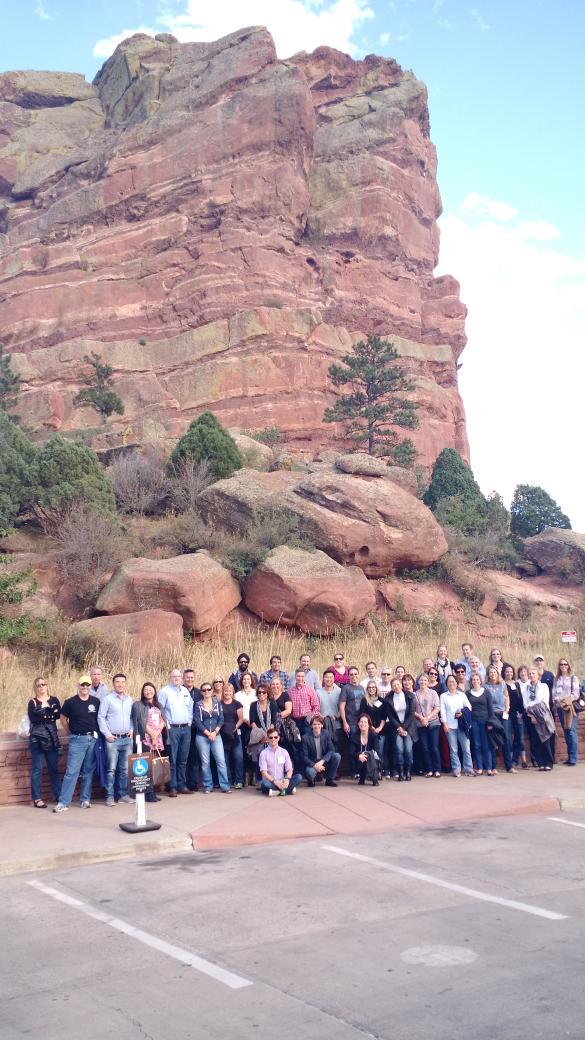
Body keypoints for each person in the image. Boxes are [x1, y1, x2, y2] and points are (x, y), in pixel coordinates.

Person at [53, 677, 100, 813]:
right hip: (77, 740)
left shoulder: (95, 702)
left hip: (92, 739)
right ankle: (63, 802)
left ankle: (85, 799)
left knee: (88, 771)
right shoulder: (70, 702)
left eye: (87, 685)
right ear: (78, 685)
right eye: (82, 685)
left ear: (90, 686)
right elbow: (62, 718)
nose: (85, 687)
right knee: (72, 772)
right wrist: (70, 732)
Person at [98, 673, 134, 806]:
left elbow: (132, 717)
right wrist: (107, 734)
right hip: (113, 739)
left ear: (125, 683)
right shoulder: (107, 699)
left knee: (124, 769)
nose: (120, 684)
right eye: (117, 682)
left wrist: (131, 729)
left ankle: (123, 795)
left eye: (122, 682)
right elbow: (101, 717)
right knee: (111, 769)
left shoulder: (130, 699)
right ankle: (110, 796)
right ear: (113, 684)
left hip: (127, 739)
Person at [157, 669, 193, 797]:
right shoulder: (164, 691)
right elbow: (160, 710)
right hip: (172, 729)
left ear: (181, 678)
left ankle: (181, 785)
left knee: (183, 759)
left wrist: (189, 722)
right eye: (174, 676)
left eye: (178, 676)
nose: (176, 678)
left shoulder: (185, 691)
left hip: (185, 729)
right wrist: (167, 726)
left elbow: (190, 707)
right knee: (173, 758)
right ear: (170, 677)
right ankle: (172, 787)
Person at [28, 677, 61, 808]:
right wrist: (49, 713)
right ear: (35, 688)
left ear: (47, 686)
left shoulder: (54, 700)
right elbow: (33, 718)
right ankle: (37, 798)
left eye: (43, 684)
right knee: (37, 769)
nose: (41, 687)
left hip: (52, 738)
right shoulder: (32, 702)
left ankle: (57, 795)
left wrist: (43, 714)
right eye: (38, 685)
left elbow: (58, 714)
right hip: (37, 739)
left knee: (54, 768)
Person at [193, 682, 231, 793]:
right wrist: (208, 733)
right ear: (201, 692)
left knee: (221, 761)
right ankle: (208, 786)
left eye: (208, 689)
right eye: (204, 690)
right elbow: (197, 721)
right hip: (202, 737)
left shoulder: (217, 703)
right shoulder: (198, 705)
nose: (206, 692)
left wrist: (215, 732)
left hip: (216, 735)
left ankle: (225, 786)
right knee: (205, 763)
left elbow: (221, 719)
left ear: (212, 691)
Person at [131, 683, 166, 802]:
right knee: (146, 766)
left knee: (154, 766)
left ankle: (152, 791)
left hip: (157, 739)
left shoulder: (158, 705)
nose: (148, 692)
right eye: (145, 690)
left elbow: (163, 720)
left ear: (154, 691)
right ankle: (147, 793)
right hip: (145, 739)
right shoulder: (138, 705)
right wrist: (152, 735)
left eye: (150, 689)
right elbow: (140, 722)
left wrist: (157, 733)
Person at [440, 674, 474, 777]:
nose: (452, 683)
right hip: (450, 726)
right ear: (447, 684)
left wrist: (462, 713)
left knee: (466, 748)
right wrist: (445, 724)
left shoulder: (462, 695)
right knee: (453, 749)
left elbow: (469, 707)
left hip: (462, 726)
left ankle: (468, 768)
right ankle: (456, 768)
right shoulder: (443, 696)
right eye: (449, 682)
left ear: (457, 683)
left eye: (453, 681)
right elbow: (443, 711)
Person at [385, 676, 417, 781]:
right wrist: (399, 728)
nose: (397, 687)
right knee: (399, 749)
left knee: (408, 749)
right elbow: (390, 716)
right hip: (396, 728)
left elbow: (412, 714)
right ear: (392, 687)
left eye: (398, 684)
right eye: (394, 685)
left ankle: (408, 772)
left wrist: (404, 728)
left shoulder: (410, 696)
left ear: (401, 685)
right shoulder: (388, 698)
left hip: (408, 727)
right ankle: (401, 772)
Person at [522, 667, 554, 770]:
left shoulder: (543, 686)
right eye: (530, 673)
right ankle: (541, 763)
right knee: (535, 740)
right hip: (531, 717)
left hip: (543, 715)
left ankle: (548, 762)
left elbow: (544, 701)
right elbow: (526, 704)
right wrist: (532, 715)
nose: (532, 675)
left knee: (545, 739)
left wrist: (536, 713)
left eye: (534, 673)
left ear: (538, 675)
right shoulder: (526, 688)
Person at [484, 665, 514, 772]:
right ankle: (493, 767)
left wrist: (507, 709)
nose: (493, 674)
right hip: (492, 715)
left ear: (497, 674)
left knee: (506, 739)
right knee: (492, 741)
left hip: (503, 714)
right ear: (488, 675)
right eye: (490, 673)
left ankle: (509, 766)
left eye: (494, 672)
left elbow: (507, 697)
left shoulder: (502, 684)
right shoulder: (485, 686)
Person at [258, 727, 301, 796]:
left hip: (282, 781)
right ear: (267, 739)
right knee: (264, 783)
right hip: (270, 782)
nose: (273, 739)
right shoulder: (263, 753)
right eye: (271, 737)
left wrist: (287, 779)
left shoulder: (284, 752)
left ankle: (276, 792)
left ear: (278, 738)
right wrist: (275, 781)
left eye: (275, 737)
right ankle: (287, 790)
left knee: (299, 777)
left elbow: (289, 769)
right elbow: (264, 773)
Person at [339, 666, 365, 777]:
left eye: (355, 674)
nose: (354, 676)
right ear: (348, 676)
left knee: (362, 746)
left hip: (362, 723)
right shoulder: (346, 688)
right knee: (353, 747)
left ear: (359, 674)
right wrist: (345, 722)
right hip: (351, 722)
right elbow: (341, 706)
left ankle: (362, 770)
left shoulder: (362, 688)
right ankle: (353, 771)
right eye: (351, 674)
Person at [413, 673, 441, 777]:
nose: (423, 682)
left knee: (434, 746)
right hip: (420, 724)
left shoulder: (433, 693)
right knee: (425, 747)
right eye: (421, 680)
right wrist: (421, 718)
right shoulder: (414, 694)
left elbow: (437, 707)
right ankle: (429, 769)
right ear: (418, 682)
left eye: (425, 680)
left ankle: (437, 769)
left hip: (433, 722)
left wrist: (427, 718)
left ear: (428, 681)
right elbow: (412, 710)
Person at [301, 715, 341, 787]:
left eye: (319, 724)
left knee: (336, 756)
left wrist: (322, 761)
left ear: (322, 725)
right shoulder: (305, 738)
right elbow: (304, 757)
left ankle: (329, 780)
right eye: (314, 724)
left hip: (323, 761)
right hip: (312, 763)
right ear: (311, 726)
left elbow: (331, 750)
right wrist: (315, 765)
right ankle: (311, 780)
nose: (317, 726)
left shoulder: (326, 734)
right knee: (310, 772)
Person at [553, 659, 579, 766]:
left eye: (565, 664)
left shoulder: (573, 678)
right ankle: (569, 757)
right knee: (566, 732)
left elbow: (576, 694)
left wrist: (565, 701)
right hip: (560, 708)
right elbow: (553, 693)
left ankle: (573, 758)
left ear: (568, 666)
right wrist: (557, 700)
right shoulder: (557, 679)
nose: (563, 666)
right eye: (561, 664)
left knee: (571, 731)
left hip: (570, 707)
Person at [468, 673, 494, 775]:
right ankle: (479, 767)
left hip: (485, 721)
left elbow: (490, 709)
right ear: (471, 682)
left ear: (480, 680)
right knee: (477, 745)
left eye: (477, 679)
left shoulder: (486, 692)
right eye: (473, 680)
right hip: (474, 721)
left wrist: (491, 722)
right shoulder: (468, 693)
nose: (475, 681)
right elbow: (467, 708)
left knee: (486, 745)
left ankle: (489, 768)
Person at [359, 680, 387, 774]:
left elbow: (384, 716)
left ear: (376, 689)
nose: (371, 689)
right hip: (368, 731)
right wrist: (370, 727)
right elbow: (362, 715)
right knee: (370, 751)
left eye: (373, 687)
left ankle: (379, 771)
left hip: (380, 730)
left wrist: (380, 727)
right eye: (369, 688)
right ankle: (370, 772)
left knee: (380, 751)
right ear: (367, 689)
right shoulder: (364, 700)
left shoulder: (381, 700)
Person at [502, 664, 527, 769]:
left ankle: (516, 759)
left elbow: (520, 698)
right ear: (504, 673)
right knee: (507, 738)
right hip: (507, 714)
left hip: (517, 714)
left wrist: (521, 712)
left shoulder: (516, 684)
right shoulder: (502, 684)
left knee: (520, 738)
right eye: (507, 672)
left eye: (511, 672)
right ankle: (510, 760)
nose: (509, 673)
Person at [220, 682, 244, 788]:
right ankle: (228, 780)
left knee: (238, 757)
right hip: (223, 734)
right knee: (225, 759)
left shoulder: (237, 704)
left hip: (235, 734)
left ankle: (239, 780)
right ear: (223, 692)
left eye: (230, 691)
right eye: (226, 690)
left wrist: (234, 728)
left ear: (232, 692)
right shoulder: (219, 704)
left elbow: (241, 719)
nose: (228, 693)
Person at [288, 669, 321, 739]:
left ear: (305, 677)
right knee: (295, 742)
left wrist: (310, 717)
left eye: (302, 676)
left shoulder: (310, 690)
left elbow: (316, 706)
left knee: (306, 740)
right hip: (294, 721)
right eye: (298, 676)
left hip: (306, 720)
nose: (300, 678)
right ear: (295, 677)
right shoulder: (290, 691)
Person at [183, 669, 201, 792]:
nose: (190, 679)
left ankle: (193, 783)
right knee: (183, 757)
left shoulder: (199, 693)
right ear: (184, 678)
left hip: (196, 729)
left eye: (192, 677)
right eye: (187, 677)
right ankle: (182, 783)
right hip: (183, 728)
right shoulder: (179, 691)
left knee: (194, 756)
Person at [351, 713, 380, 786]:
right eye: (361, 721)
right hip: (359, 760)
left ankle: (374, 778)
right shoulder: (354, 736)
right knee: (361, 757)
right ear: (358, 724)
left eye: (365, 722)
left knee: (369, 755)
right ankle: (362, 777)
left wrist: (367, 755)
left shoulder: (373, 736)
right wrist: (359, 756)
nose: (363, 724)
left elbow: (377, 750)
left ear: (369, 724)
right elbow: (351, 752)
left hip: (373, 759)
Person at [316, 669, 342, 744]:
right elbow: (315, 708)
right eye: (326, 677)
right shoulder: (318, 692)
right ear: (323, 679)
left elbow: (342, 707)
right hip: (322, 724)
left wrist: (336, 716)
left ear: (334, 679)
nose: (329, 679)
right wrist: (322, 717)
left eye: (331, 677)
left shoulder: (339, 692)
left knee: (336, 748)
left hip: (336, 725)